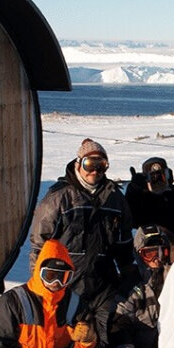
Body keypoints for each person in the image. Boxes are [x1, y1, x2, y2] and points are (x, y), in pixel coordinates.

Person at [29, 138, 137, 334]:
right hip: (66, 282)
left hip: (103, 283)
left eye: (101, 165)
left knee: (101, 334)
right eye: (89, 165)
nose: (95, 171)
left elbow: (124, 241)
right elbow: (39, 245)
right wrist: (39, 284)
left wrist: (128, 272)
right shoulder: (59, 199)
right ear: (78, 164)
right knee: (66, 334)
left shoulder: (114, 198)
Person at [92, 225, 172, 348]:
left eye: (162, 251)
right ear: (139, 255)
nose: (157, 258)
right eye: (149, 253)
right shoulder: (129, 286)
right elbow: (117, 329)